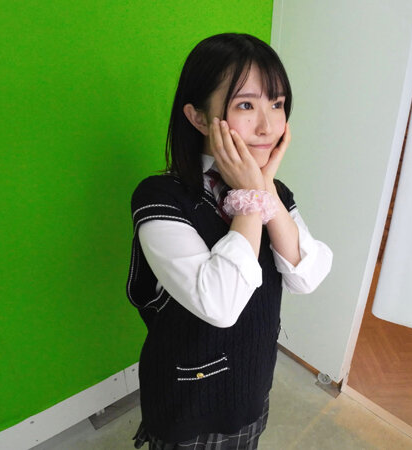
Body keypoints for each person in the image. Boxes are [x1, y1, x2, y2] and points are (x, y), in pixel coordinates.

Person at [126, 32, 332, 449]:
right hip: (187, 397)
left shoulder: (275, 193)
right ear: (199, 118)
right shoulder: (160, 198)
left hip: (250, 386)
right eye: (246, 105)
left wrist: (263, 190)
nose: (268, 126)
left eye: (277, 104)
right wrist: (252, 197)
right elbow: (220, 305)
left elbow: (307, 275)